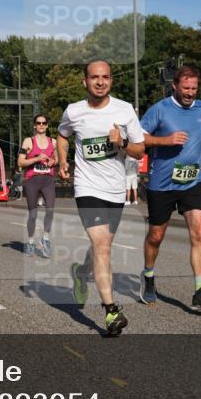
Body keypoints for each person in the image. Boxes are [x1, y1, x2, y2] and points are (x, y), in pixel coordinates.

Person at [56, 60, 145, 337]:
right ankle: (111, 311)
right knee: (103, 245)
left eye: (105, 77)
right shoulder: (74, 111)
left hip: (115, 189)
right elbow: (61, 135)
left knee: (102, 247)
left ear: (111, 81)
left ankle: (82, 273)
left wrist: (123, 143)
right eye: (94, 77)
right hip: (87, 187)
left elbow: (140, 151)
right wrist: (62, 161)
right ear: (85, 81)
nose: (100, 82)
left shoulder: (124, 110)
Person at [139, 65, 201, 310]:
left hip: (192, 181)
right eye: (186, 88)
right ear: (175, 86)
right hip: (162, 183)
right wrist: (164, 140)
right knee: (156, 237)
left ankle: (200, 291)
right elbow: (138, 138)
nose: (190, 93)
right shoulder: (160, 110)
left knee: (199, 232)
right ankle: (148, 276)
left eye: (194, 88)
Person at [18, 114, 57, 258]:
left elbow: (57, 158)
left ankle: (45, 238)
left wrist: (54, 161)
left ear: (47, 125)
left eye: (44, 123)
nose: (41, 125)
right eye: (38, 123)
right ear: (34, 125)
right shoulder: (28, 141)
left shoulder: (53, 142)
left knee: (51, 209)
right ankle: (30, 242)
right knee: (33, 215)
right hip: (32, 181)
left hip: (48, 180)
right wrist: (36, 158)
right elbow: (20, 162)